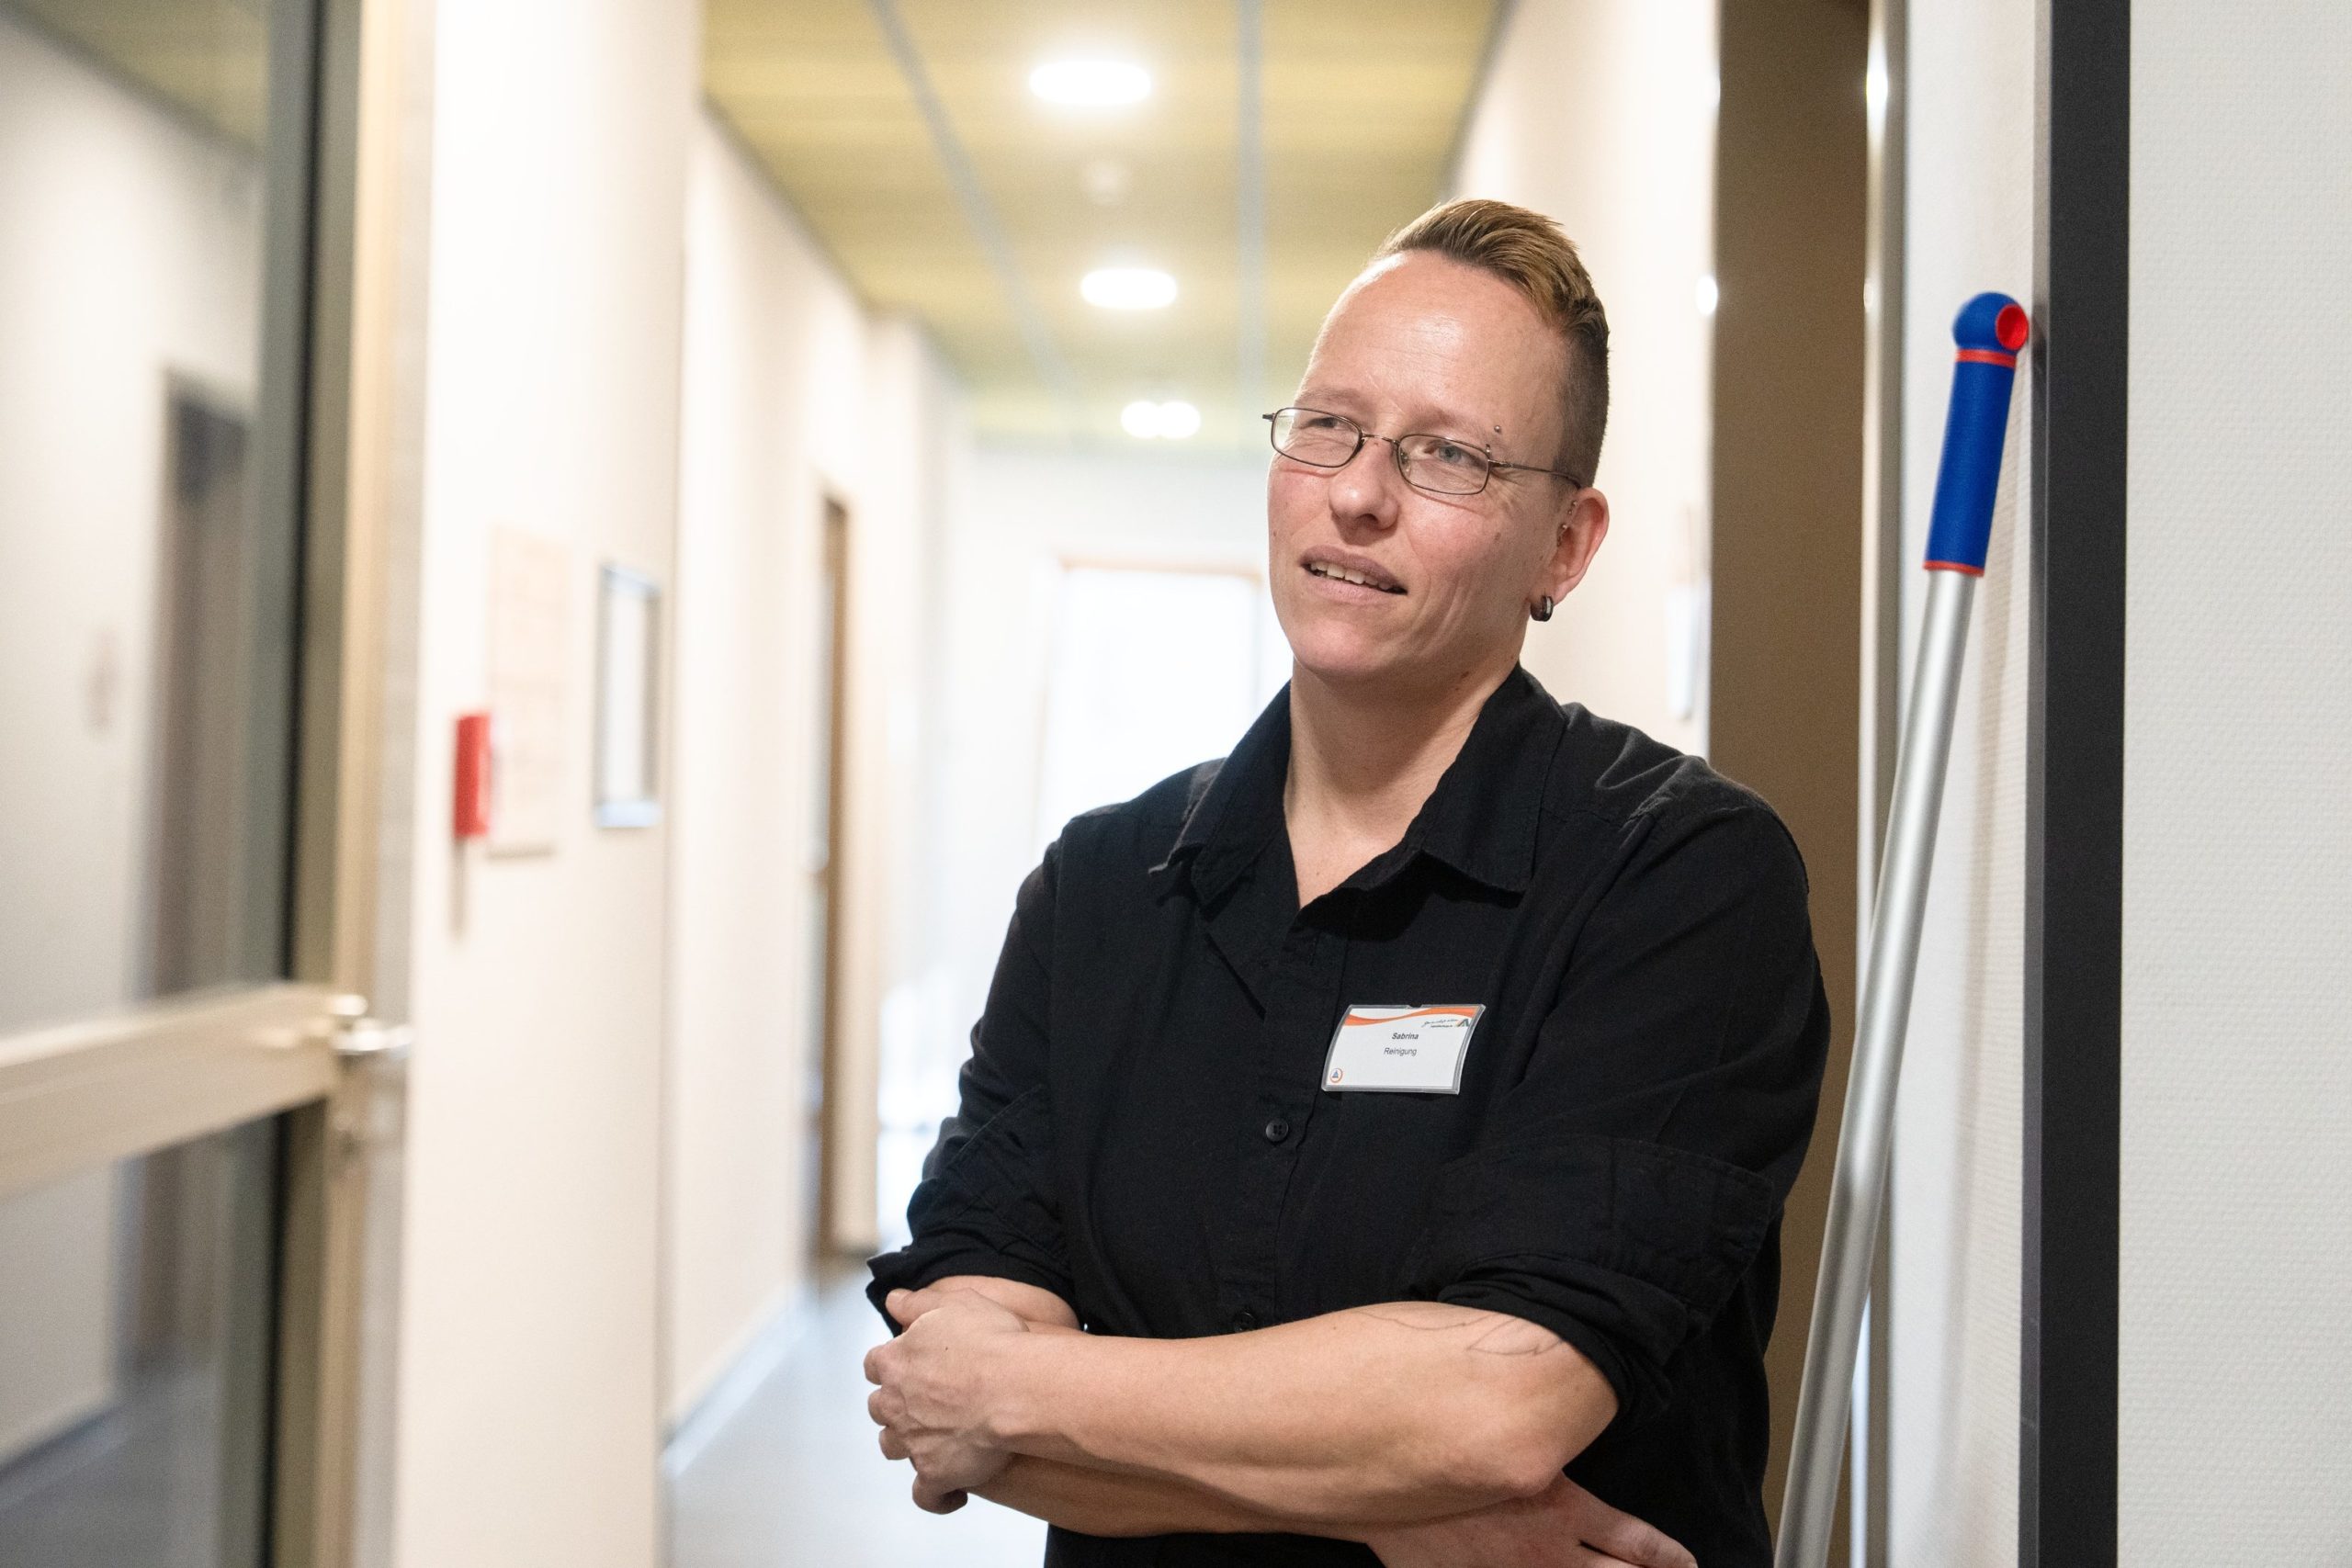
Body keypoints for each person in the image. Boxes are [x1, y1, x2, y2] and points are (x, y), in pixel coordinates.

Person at [863, 197, 1832, 1568]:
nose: (1359, 493)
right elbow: (958, 1421)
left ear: (1567, 544)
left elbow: (1499, 1403)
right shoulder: (1101, 891)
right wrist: (1410, 1512)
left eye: (1450, 456)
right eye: (1330, 425)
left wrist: (1020, 1387)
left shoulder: (1678, 879)